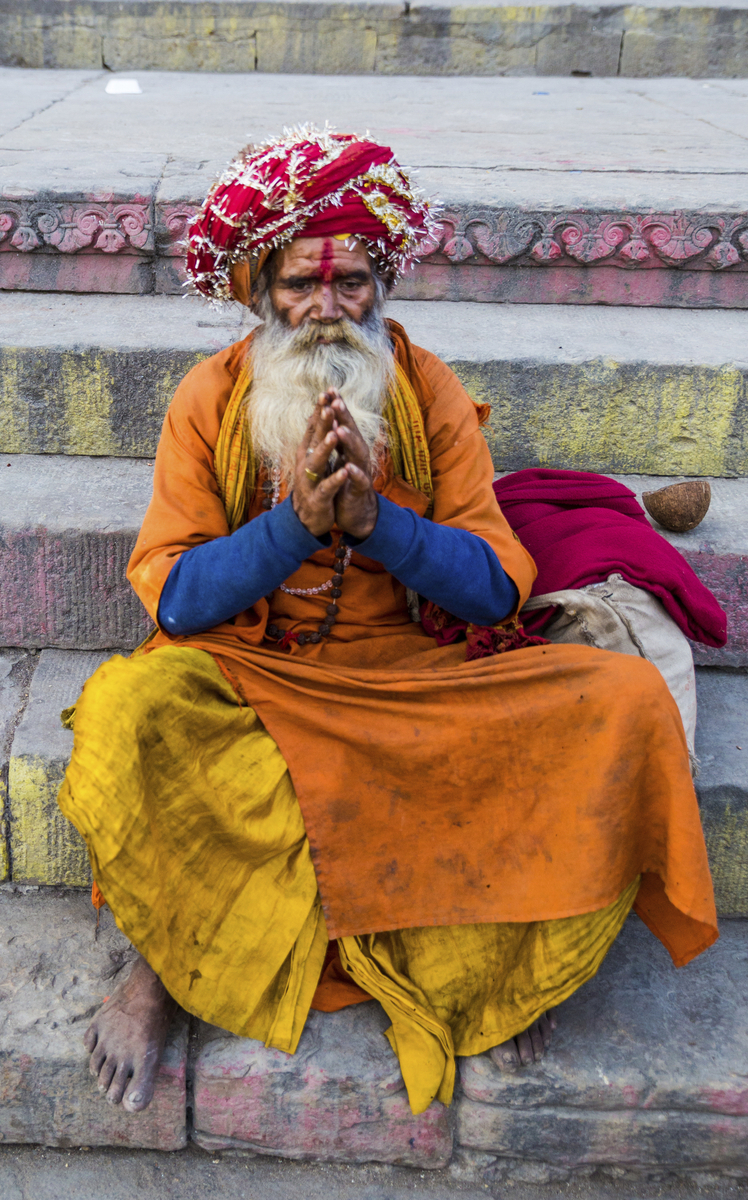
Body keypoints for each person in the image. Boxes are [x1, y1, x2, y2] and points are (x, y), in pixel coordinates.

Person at [57, 127, 718, 1119]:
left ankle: (513, 963)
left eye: (353, 282)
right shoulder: (208, 401)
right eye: (299, 285)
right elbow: (183, 600)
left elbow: (497, 589)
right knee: (125, 709)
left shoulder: (426, 391)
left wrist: (377, 526)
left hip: (417, 684)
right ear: (256, 292)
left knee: (620, 700)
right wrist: (294, 527)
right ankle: (159, 970)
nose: (327, 308)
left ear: (382, 285)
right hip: (258, 681)